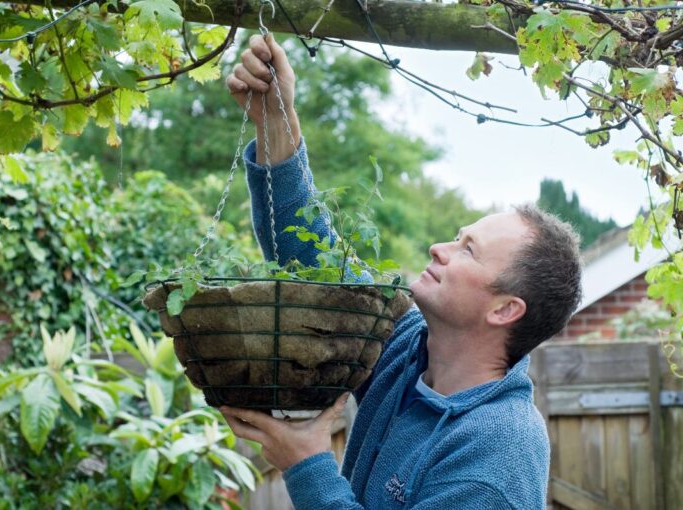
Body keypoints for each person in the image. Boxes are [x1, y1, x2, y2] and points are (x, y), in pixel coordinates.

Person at [219, 34, 583, 510]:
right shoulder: (407, 351)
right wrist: (275, 124)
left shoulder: (496, 455)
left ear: (505, 309)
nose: (439, 248)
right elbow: (315, 262)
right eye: (457, 236)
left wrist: (306, 464)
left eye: (468, 251)